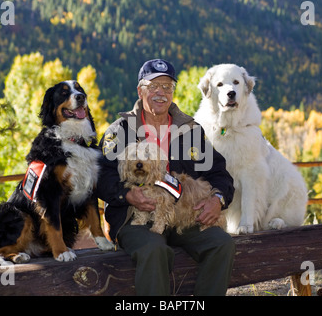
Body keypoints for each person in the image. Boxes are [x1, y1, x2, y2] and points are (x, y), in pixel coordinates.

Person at [97, 59, 235, 296]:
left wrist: (217, 200)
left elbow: (220, 174)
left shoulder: (190, 130)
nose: (161, 93)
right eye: (153, 86)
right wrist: (127, 195)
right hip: (135, 217)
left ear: (173, 92)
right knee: (153, 250)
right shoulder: (121, 130)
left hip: (185, 214)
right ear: (140, 91)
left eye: (167, 86)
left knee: (221, 244)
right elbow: (100, 178)